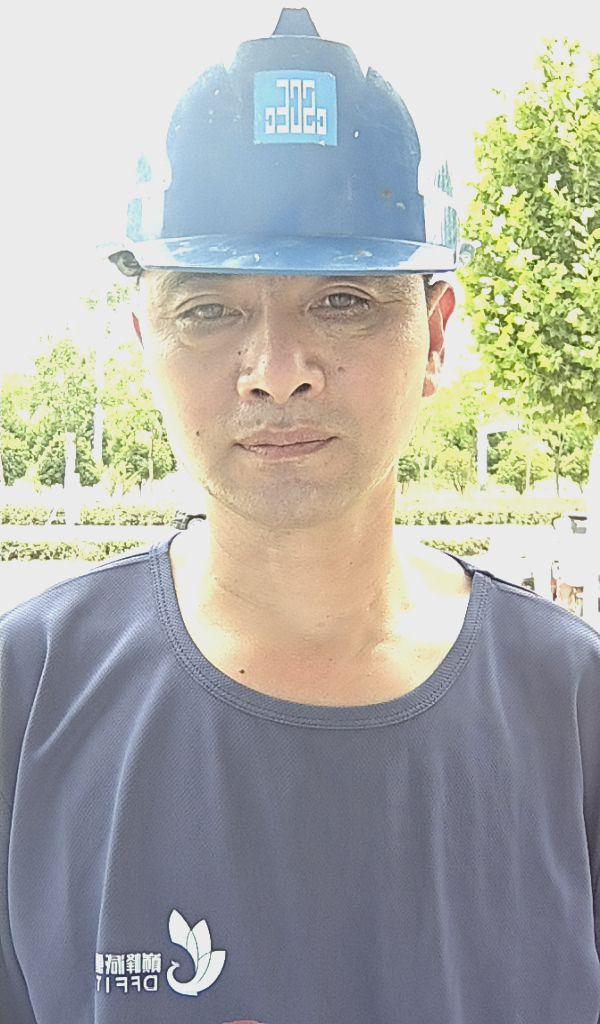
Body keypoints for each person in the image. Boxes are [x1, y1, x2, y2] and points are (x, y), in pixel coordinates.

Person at [2, 8, 600, 1024]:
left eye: (344, 301)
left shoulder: (570, 706)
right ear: (144, 339)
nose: (278, 372)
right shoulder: (28, 696)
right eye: (210, 309)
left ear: (436, 334)